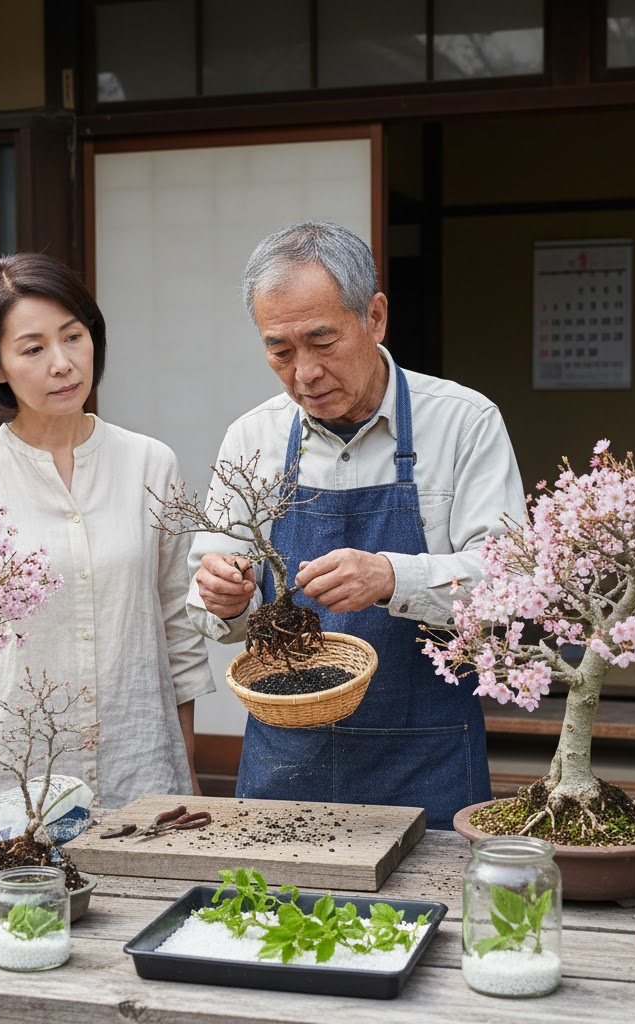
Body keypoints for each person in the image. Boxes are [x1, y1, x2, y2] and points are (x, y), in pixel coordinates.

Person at [187, 221, 526, 829]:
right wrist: (224, 595)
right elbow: (212, 610)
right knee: (281, 917)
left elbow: (509, 585)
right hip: (287, 757)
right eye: (280, 350)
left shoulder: (464, 423)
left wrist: (394, 575)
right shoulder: (253, 437)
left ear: (374, 317)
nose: (305, 374)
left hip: (428, 749)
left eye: (322, 340)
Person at [0, 252, 214, 806]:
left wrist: (185, 767)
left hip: (137, 771)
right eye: (33, 349)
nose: (63, 364)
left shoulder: (151, 465)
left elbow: (177, 627)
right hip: (3, 779)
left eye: (73, 336)